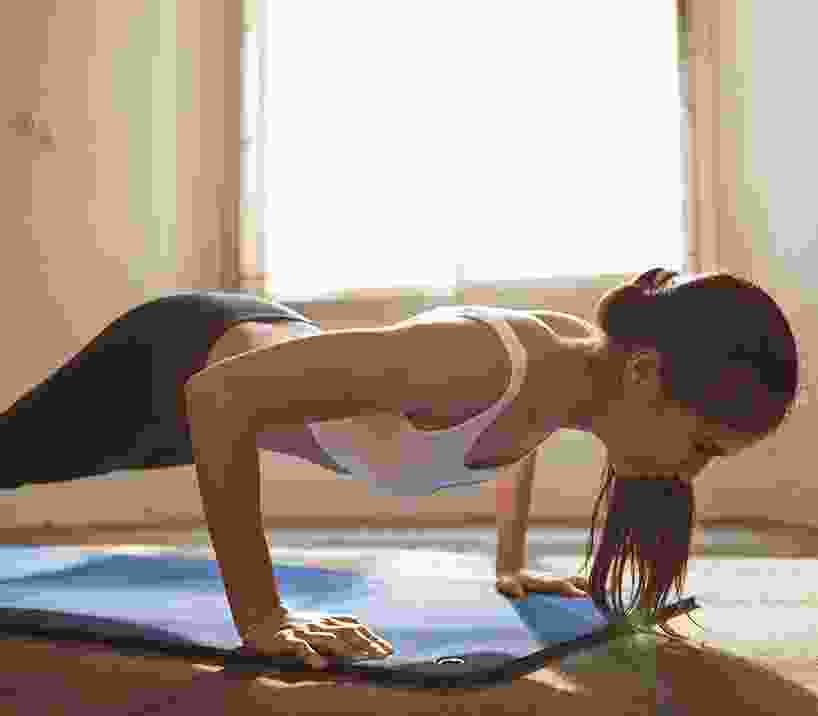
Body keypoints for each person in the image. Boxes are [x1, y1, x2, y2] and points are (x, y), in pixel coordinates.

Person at [1, 270, 800, 671]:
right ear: (648, 375)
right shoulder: (477, 364)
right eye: (703, 446)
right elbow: (217, 396)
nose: (692, 470)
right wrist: (262, 619)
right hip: (174, 359)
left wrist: (511, 565)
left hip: (243, 357)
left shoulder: (576, 376)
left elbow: (519, 437)